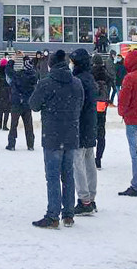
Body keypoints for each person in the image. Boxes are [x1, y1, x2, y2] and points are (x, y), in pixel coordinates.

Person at [28, 50, 84, 229]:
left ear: (51, 64)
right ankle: (68, 214)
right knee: (68, 175)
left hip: (52, 134)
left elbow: (34, 105)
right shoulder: (77, 83)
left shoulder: (46, 83)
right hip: (71, 134)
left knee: (52, 176)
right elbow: (80, 104)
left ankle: (53, 215)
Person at [70, 48, 98, 216]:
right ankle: (91, 197)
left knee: (78, 162)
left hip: (80, 125)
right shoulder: (89, 78)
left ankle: (84, 200)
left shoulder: (79, 80)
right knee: (89, 161)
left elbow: (77, 105)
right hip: (90, 124)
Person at [117, 48, 137, 196]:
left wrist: (122, 112)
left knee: (136, 153)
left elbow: (124, 99)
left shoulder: (130, 78)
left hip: (133, 119)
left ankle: (136, 185)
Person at [5, 54, 38, 151]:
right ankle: (30, 144)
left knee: (13, 124)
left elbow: (8, 71)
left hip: (17, 102)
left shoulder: (19, 75)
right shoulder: (33, 76)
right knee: (29, 125)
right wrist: (25, 57)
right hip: (27, 103)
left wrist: (12, 60)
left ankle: (11, 144)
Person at [91, 54, 111, 169]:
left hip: (92, 104)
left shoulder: (90, 73)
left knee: (90, 129)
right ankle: (98, 159)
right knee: (101, 132)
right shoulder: (105, 73)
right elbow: (110, 85)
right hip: (102, 105)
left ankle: (89, 156)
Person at [0, 59, 11, 130]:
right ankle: (4, 125)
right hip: (7, 92)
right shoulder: (8, 71)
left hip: (1, 91)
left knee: (0, 110)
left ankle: (0, 124)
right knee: (7, 110)